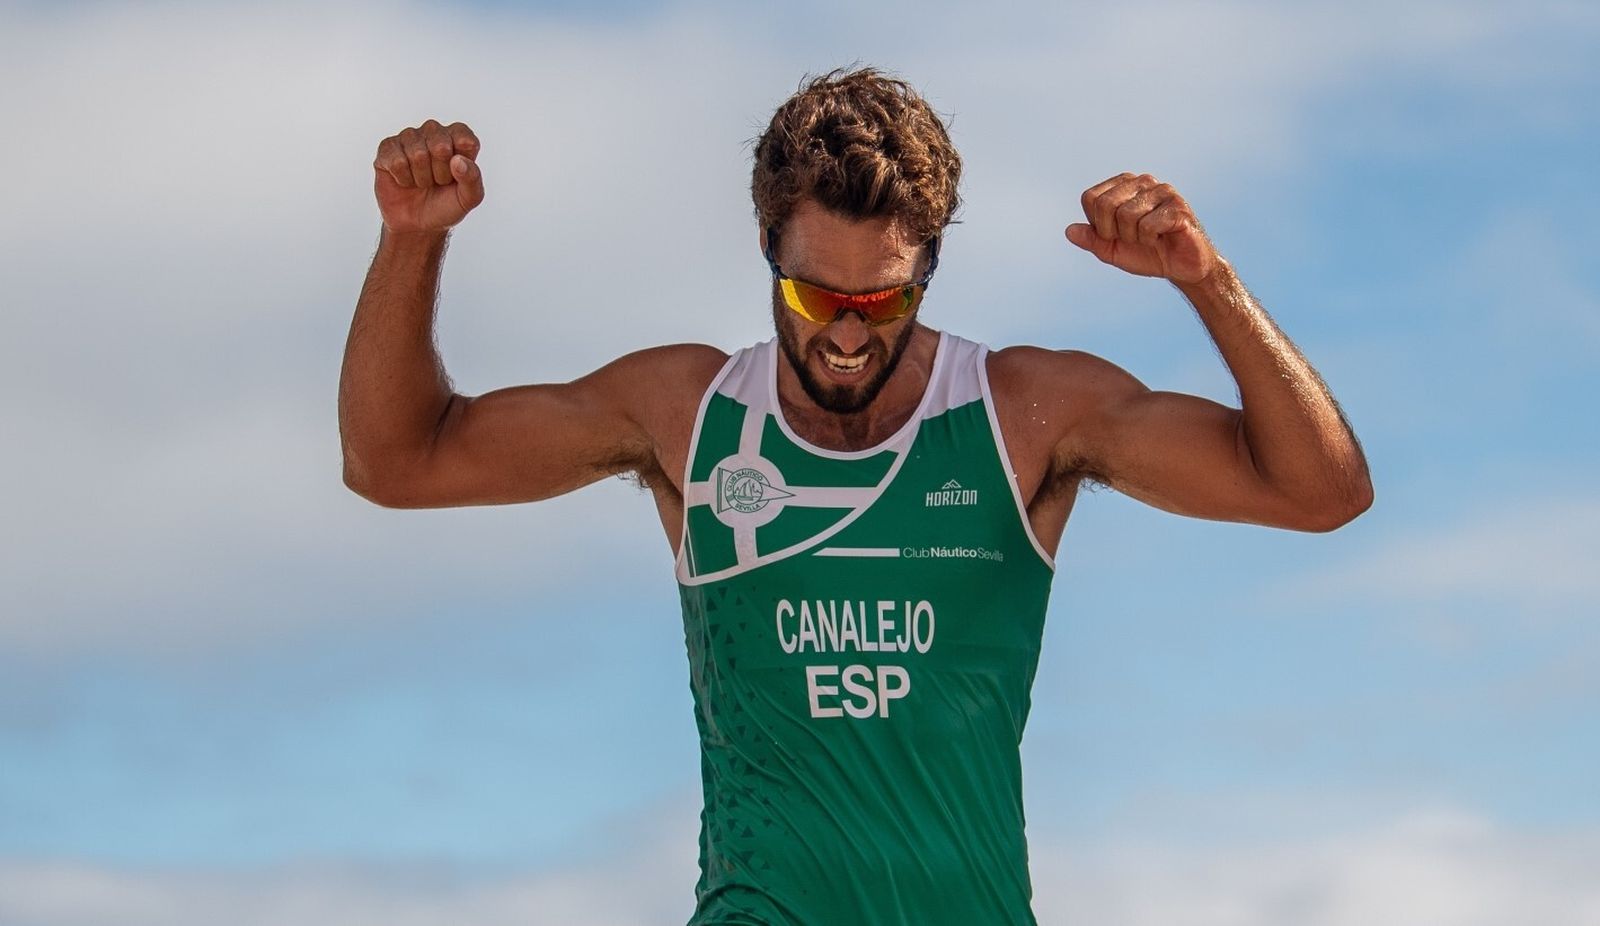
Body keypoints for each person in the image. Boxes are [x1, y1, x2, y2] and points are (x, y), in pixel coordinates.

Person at [339, 67, 1372, 926]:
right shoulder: (688, 412)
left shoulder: (1025, 413)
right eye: (814, 295)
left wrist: (1207, 281)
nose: (844, 331)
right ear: (766, 251)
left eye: (881, 301)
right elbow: (398, 462)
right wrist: (410, 237)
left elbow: (1320, 491)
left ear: (927, 267)